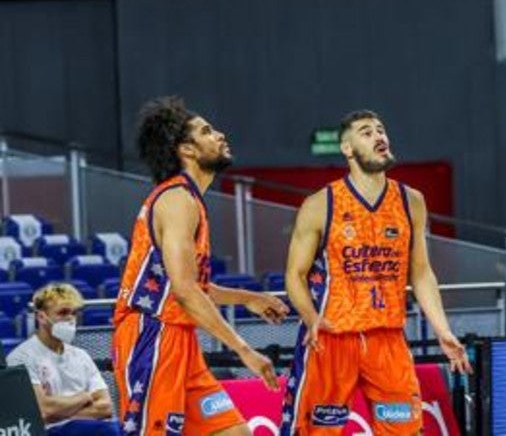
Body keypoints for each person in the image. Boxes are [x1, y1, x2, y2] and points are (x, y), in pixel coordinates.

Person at [282, 110, 471, 435]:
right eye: (367, 132)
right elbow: (294, 275)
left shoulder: (411, 201)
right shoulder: (320, 204)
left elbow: (421, 273)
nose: (379, 136)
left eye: (381, 130)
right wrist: (311, 317)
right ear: (347, 148)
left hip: (387, 340)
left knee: (404, 431)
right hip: (331, 339)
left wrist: (443, 330)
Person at [111, 97, 290, 436]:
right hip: (153, 334)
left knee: (235, 433)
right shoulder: (177, 200)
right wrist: (244, 350)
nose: (219, 135)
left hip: (180, 337)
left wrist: (248, 298)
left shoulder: (189, 199)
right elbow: (184, 291)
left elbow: (191, 286)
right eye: (207, 131)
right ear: (187, 150)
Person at [4, 283, 118, 436]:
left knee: (121, 428)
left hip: (85, 429)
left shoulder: (81, 355)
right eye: (63, 313)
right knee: (109, 430)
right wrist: (84, 397)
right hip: (48, 433)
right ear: (41, 317)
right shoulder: (21, 357)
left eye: (74, 313)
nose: (70, 319)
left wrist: (60, 411)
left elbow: (105, 408)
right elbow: (42, 411)